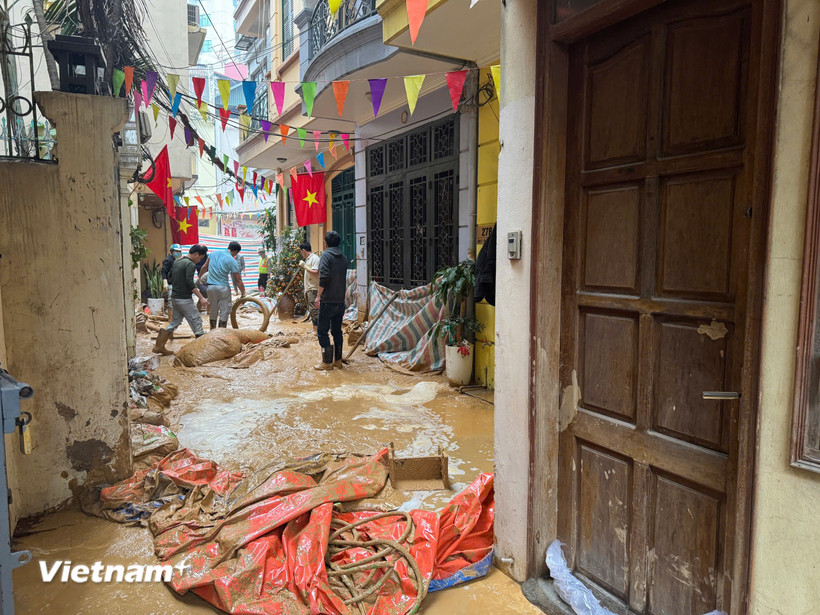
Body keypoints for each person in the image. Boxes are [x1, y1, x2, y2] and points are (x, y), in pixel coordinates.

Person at [153, 245, 210, 355]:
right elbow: (189, 282)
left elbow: (170, 276)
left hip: (175, 297)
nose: (199, 261)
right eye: (200, 258)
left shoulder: (177, 262)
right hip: (184, 299)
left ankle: (158, 346)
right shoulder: (190, 264)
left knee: (175, 322)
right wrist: (201, 298)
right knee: (197, 321)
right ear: (196, 254)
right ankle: (202, 352)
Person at [314, 231, 348, 370]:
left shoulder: (326, 255)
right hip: (340, 301)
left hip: (328, 300)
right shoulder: (344, 258)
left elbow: (324, 276)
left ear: (325, 243)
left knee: (322, 331)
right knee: (337, 331)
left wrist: (318, 296)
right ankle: (338, 361)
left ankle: (327, 363)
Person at [200, 240, 245, 329]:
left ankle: (212, 331)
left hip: (211, 287)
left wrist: (199, 278)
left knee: (213, 309)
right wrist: (243, 293)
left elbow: (204, 267)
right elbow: (238, 279)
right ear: (235, 251)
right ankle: (221, 333)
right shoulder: (232, 260)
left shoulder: (213, 253)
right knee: (225, 310)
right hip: (223, 287)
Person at [299, 242, 321, 328]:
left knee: (314, 310)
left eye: (301, 252)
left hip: (313, 288)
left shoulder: (314, 258)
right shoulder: (308, 259)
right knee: (312, 310)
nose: (301, 254)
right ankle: (316, 329)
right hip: (308, 289)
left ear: (303, 250)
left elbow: (316, 272)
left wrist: (305, 267)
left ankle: (318, 330)